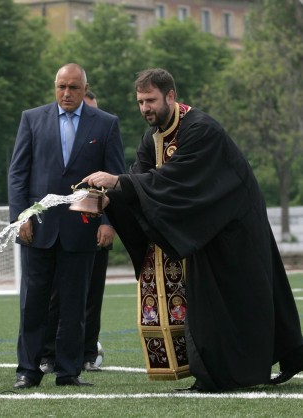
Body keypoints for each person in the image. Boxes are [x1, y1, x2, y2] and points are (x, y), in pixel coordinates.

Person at [83, 68, 303, 392]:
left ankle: (227, 376)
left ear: (171, 96)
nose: (145, 108)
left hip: (233, 229)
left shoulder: (201, 130)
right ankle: (221, 374)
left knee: (240, 302)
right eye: (141, 102)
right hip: (202, 230)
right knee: (215, 306)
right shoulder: (152, 137)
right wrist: (107, 202)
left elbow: (177, 182)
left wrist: (118, 182)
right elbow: (139, 186)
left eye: (151, 101)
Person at [8, 63, 125, 388]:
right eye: (61, 87)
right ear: (55, 87)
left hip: (82, 230)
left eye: (73, 88)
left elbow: (114, 178)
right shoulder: (32, 119)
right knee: (33, 303)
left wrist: (108, 223)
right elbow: (18, 174)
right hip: (38, 229)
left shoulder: (106, 124)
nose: (66, 93)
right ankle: (27, 370)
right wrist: (21, 217)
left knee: (75, 304)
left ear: (84, 89)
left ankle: (69, 371)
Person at [40, 90, 116, 374]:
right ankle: (48, 354)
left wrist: (108, 221)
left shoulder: (105, 130)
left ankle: (87, 352)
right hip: (61, 226)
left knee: (92, 292)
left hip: (94, 227)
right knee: (56, 294)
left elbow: (112, 178)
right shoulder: (56, 130)